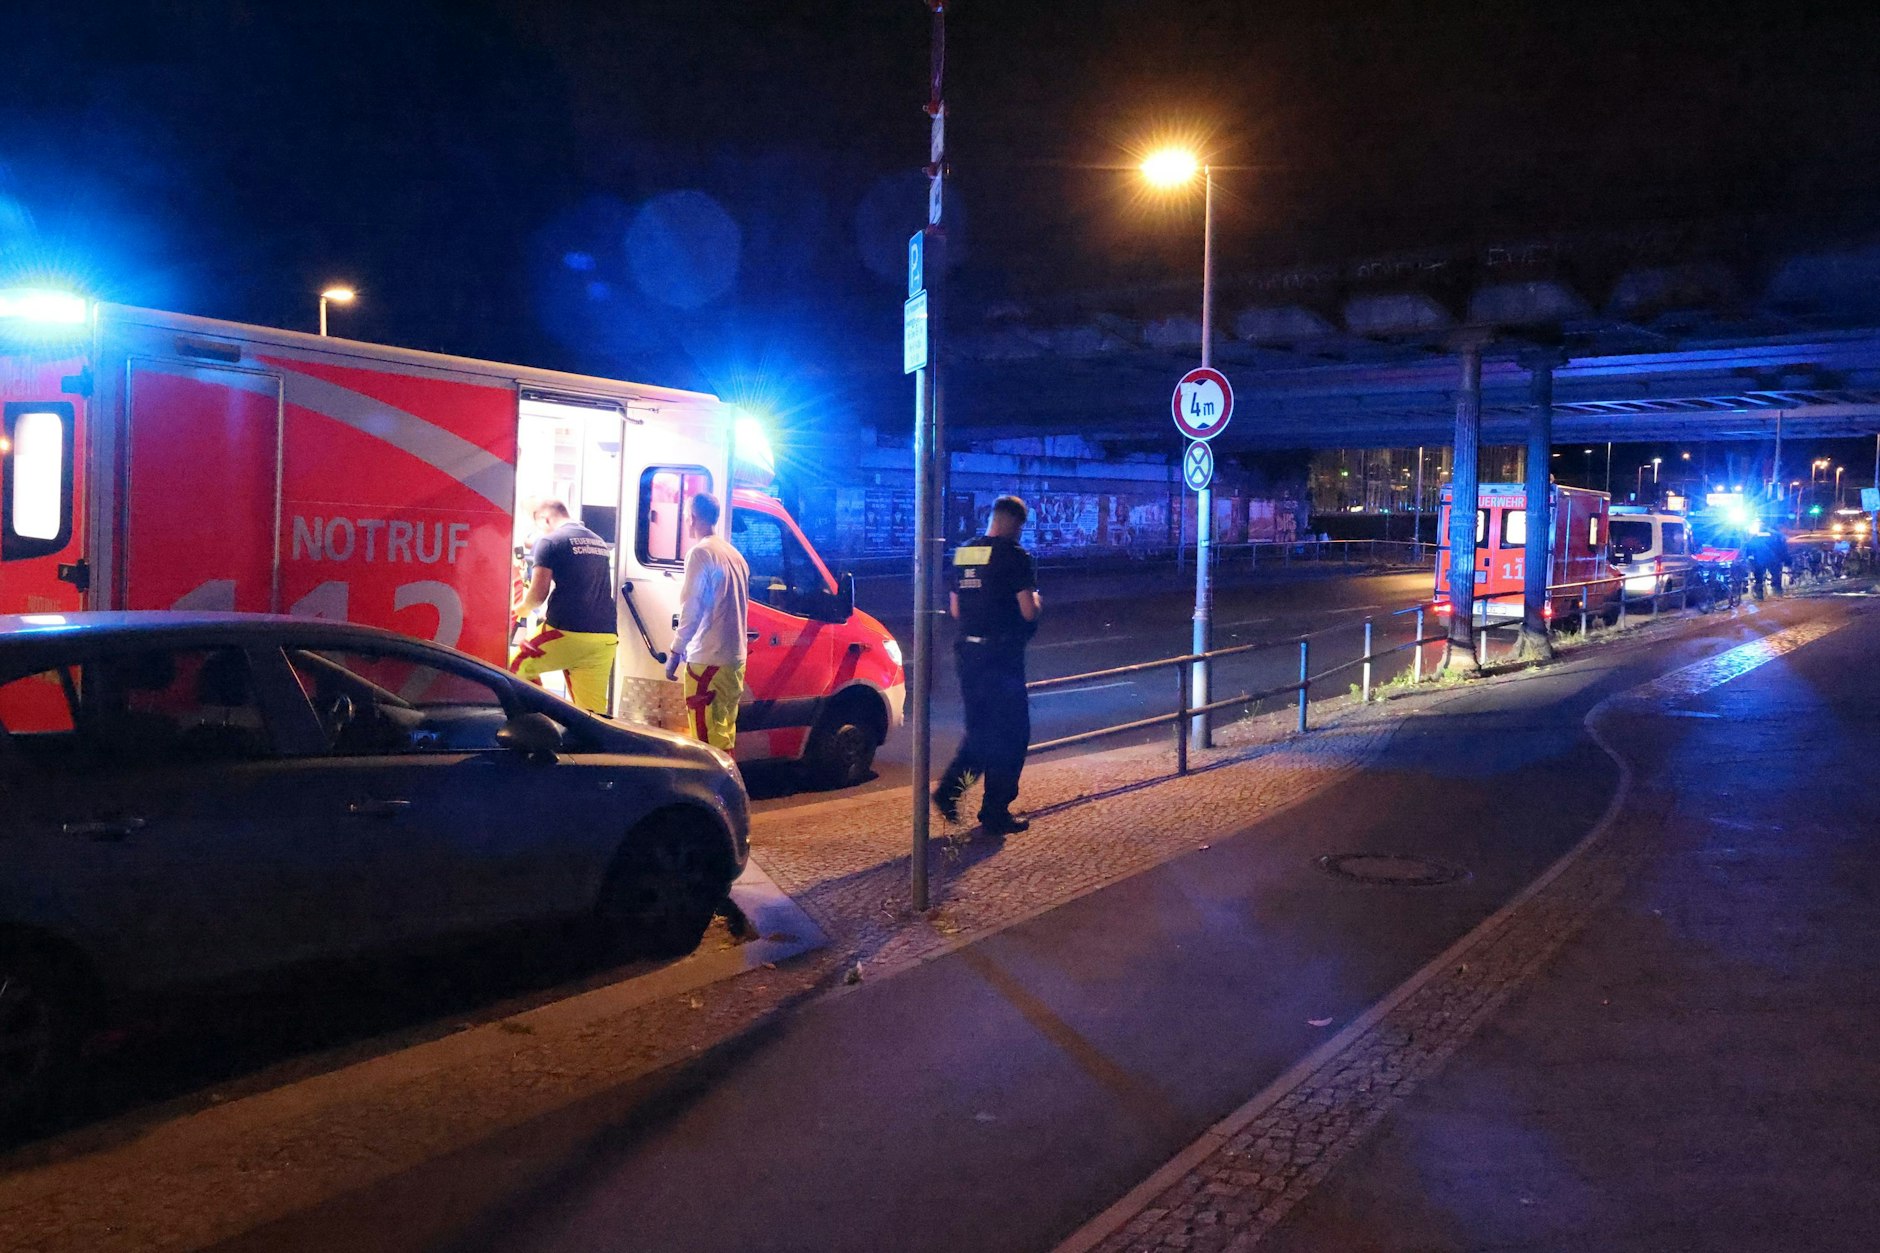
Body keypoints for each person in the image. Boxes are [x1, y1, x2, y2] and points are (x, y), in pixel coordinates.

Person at [934, 495, 1041, 836]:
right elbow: (1028, 611)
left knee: (980, 731)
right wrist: (1038, 600)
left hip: (968, 654)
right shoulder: (1015, 557)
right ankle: (995, 811)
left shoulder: (965, 552)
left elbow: (955, 610)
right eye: (1020, 526)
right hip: (1002, 658)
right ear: (1012, 522)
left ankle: (951, 791)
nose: (1020, 533)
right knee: (1012, 735)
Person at [510, 500, 619, 713]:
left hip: (566, 633)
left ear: (545, 519)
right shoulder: (598, 542)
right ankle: (592, 745)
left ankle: (540, 721)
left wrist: (517, 611)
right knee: (592, 714)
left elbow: (537, 597)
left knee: (515, 668)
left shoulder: (550, 542)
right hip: (604, 638)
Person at [665, 492, 751, 752]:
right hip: (734, 663)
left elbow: (692, 606)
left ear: (692, 518)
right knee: (724, 735)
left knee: (706, 745)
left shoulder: (701, 553)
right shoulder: (735, 555)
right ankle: (731, 789)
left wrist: (675, 651)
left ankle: (717, 792)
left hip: (707, 662)